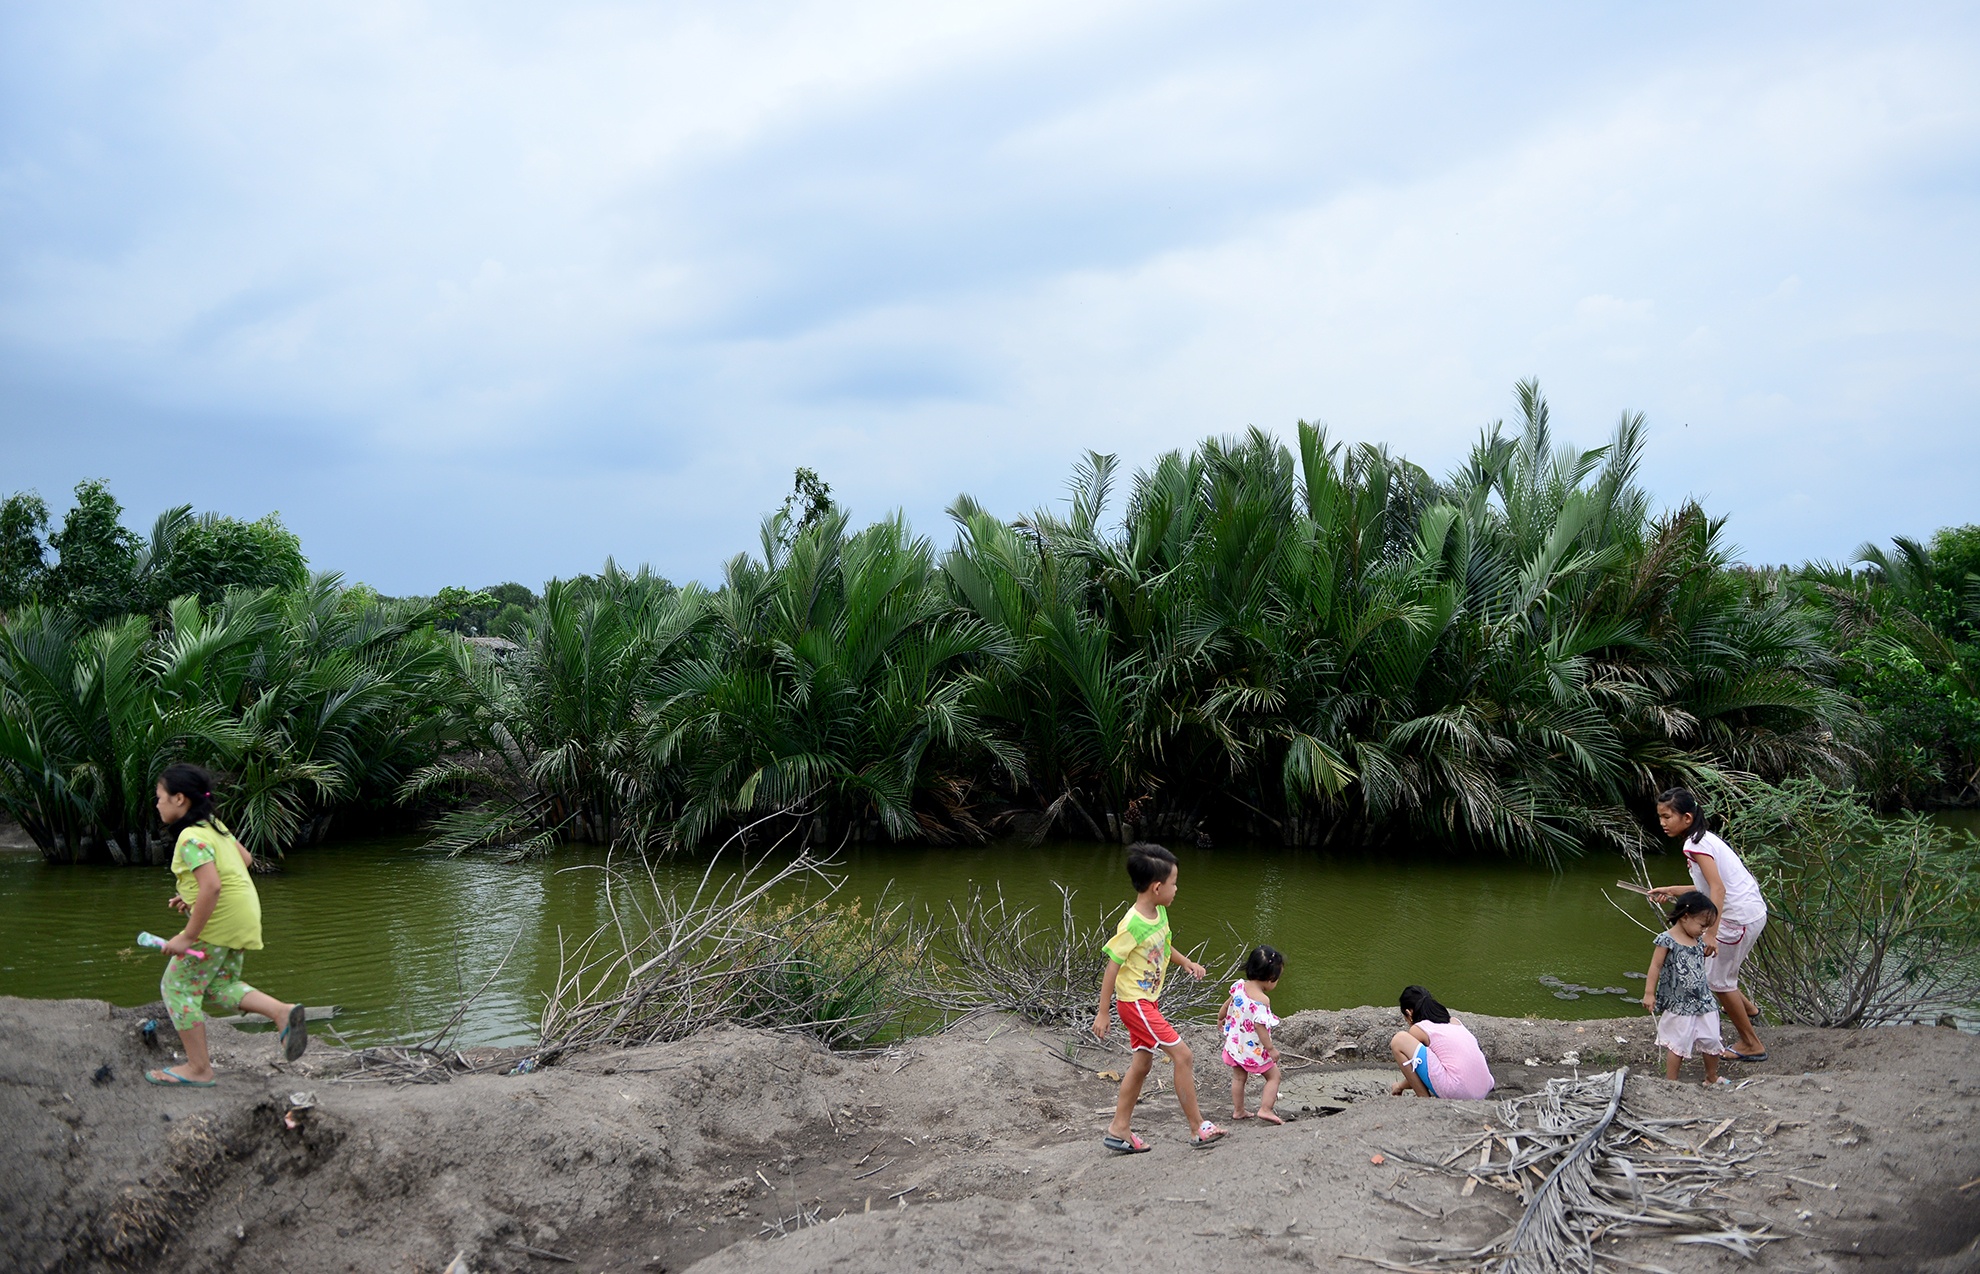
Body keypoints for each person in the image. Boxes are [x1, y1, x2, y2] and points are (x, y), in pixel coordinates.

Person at [145, 763, 309, 1087]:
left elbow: (212, 887)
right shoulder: (213, 826)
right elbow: (244, 860)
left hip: (217, 921)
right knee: (219, 986)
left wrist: (187, 936)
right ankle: (280, 1012)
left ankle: (198, 1069)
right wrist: (190, 894)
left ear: (179, 799)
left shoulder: (190, 837)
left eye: (160, 797)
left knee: (177, 988)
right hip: (243, 915)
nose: (157, 803)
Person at [1092, 842, 1226, 1152]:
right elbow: (1112, 967)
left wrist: (1187, 963)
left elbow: (1164, 947)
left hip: (1145, 1002)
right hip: (1135, 1004)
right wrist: (1103, 1011)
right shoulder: (1132, 924)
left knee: (1141, 1064)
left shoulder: (1159, 913)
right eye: (1173, 883)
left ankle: (1119, 1128)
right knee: (1184, 1055)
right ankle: (1197, 1128)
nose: (1176, 889)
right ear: (1156, 887)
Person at [1645, 788, 1768, 1061]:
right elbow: (1707, 886)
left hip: (1736, 919)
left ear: (1687, 818)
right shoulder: (1704, 839)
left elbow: (1718, 890)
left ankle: (1752, 1044)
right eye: (1660, 816)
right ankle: (1749, 1012)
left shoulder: (1694, 845)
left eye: (1667, 816)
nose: (1663, 822)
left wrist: (1711, 933)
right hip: (1749, 912)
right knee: (1720, 977)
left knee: (1718, 982)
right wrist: (1673, 890)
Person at [1643, 890, 1726, 1086]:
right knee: (1678, 1043)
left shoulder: (1698, 941)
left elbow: (1695, 960)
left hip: (1702, 999)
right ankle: (1671, 1082)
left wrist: (1708, 951)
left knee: (1712, 1038)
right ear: (1685, 917)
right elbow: (1655, 966)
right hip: (1679, 1001)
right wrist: (1649, 993)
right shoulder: (1667, 939)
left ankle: (1711, 1077)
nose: (1704, 931)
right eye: (1702, 925)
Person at [1388, 985, 1495, 1100]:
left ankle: (1423, 1099)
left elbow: (1417, 1074)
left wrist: (1399, 1086)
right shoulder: (1454, 1021)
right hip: (1484, 1088)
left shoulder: (1419, 1029)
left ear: (1409, 1013)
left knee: (1399, 1040)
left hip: (1459, 1091)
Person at [1221, 945, 1285, 1125]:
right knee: (1274, 1077)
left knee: (1239, 1077)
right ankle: (1265, 1108)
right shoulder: (1262, 1000)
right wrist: (1270, 1049)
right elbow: (1260, 1026)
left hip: (1236, 1044)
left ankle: (1238, 1110)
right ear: (1271, 978)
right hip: (1253, 1049)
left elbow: (1227, 1005)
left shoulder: (1239, 985)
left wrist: (1220, 1019)